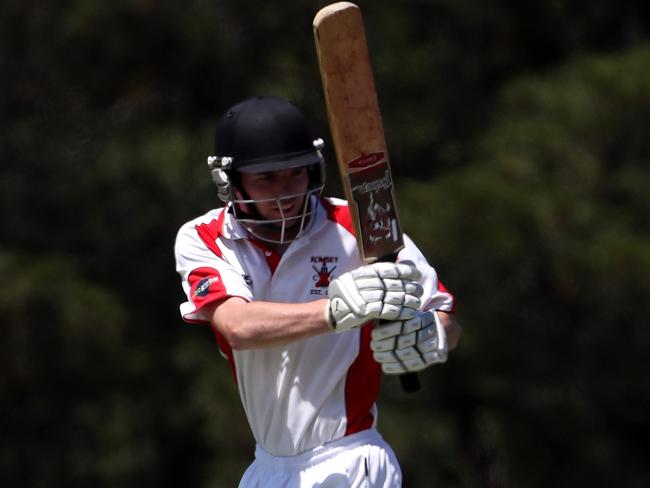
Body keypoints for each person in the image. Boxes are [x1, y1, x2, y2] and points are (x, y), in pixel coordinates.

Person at [174, 96, 461, 487]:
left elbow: (442, 313)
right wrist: (337, 311)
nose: (285, 192)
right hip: (267, 468)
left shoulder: (360, 225)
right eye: (266, 180)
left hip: (350, 460)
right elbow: (237, 326)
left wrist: (429, 333)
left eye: (296, 174)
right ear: (230, 182)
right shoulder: (205, 237)